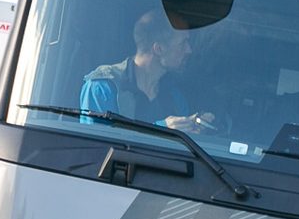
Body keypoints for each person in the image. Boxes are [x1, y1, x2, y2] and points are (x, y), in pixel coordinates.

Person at [79, 11, 216, 132]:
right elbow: (98, 145)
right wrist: (161, 129)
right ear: (158, 49)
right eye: (182, 44)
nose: (189, 50)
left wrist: (192, 126)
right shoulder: (103, 86)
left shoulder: (174, 96)